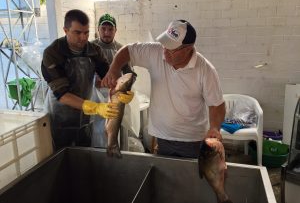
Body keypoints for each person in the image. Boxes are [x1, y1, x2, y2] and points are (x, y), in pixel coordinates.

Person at [101, 19, 225, 158]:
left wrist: (214, 127)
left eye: (172, 48)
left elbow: (217, 105)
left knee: (189, 178)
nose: (165, 51)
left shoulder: (206, 70)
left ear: (188, 48)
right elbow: (127, 51)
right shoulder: (156, 51)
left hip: (193, 141)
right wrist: (114, 69)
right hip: (162, 138)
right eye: (165, 44)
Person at [41, 9, 133, 150]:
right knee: (62, 157)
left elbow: (107, 78)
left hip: (85, 118)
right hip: (60, 119)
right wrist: (95, 107)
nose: (83, 38)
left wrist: (121, 89)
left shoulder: (94, 50)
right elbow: (62, 95)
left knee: (84, 156)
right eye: (77, 33)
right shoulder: (53, 53)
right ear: (65, 30)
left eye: (86, 33)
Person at [91, 13, 133, 148]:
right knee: (97, 131)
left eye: (110, 29)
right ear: (98, 29)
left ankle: (119, 161)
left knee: (119, 132)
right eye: (103, 29)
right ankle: (101, 163)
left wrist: (128, 90)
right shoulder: (89, 48)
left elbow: (130, 74)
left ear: (116, 31)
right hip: (95, 99)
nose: (106, 33)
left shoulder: (122, 50)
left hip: (116, 98)